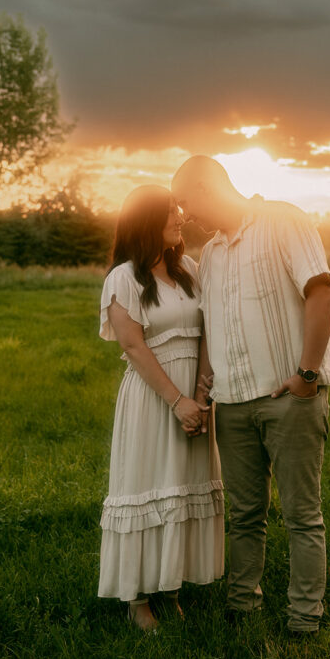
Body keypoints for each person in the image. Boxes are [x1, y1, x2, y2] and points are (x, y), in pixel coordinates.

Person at [171, 156, 330, 635]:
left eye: (186, 200)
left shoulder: (284, 220)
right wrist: (205, 391)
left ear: (208, 186)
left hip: (290, 398)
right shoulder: (213, 255)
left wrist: (307, 376)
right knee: (245, 514)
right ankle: (242, 606)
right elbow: (210, 330)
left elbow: (322, 292)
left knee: (301, 514)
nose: (185, 213)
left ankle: (304, 618)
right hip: (233, 404)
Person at [97, 184, 224, 631]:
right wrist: (177, 401)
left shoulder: (189, 268)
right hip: (155, 399)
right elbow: (133, 347)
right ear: (146, 220)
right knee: (149, 484)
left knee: (183, 485)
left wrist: (202, 397)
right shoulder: (123, 279)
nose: (180, 217)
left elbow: (208, 332)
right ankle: (137, 599)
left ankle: (170, 587)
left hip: (196, 394)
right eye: (170, 211)